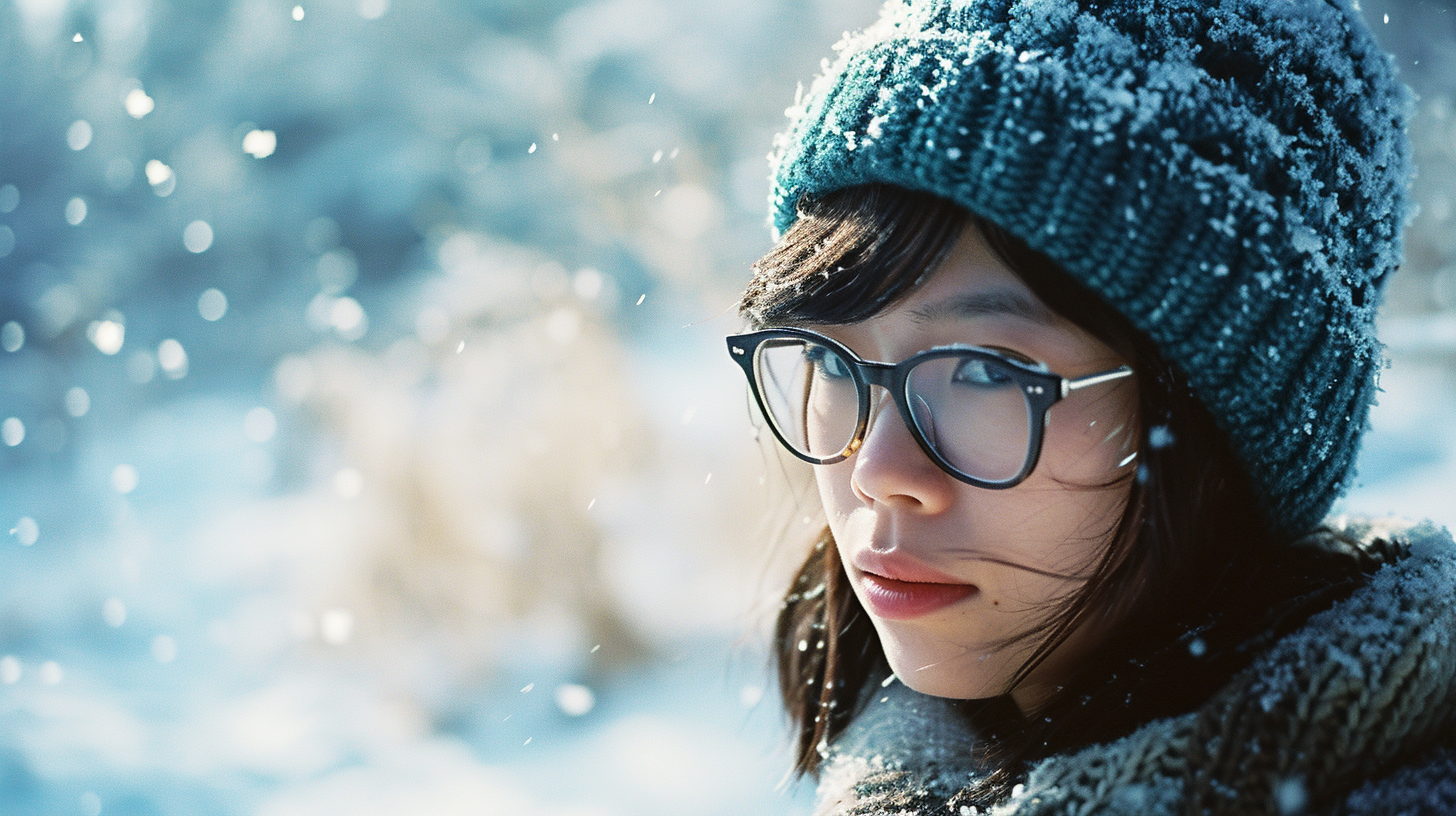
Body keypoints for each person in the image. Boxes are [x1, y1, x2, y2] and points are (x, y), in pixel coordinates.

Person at [724, 1, 1456, 812]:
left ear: (1213, 421)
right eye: (832, 362)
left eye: (986, 375)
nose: (878, 472)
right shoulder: (907, 769)